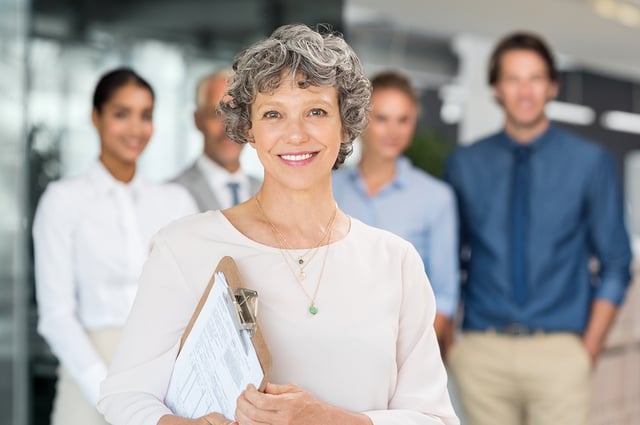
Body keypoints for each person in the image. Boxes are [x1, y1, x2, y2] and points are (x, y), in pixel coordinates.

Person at [98, 24, 459, 425]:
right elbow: (125, 396)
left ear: (346, 124)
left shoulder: (396, 262)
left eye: (316, 111)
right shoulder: (183, 247)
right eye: (273, 114)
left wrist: (329, 419)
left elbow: (435, 419)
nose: (295, 133)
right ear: (249, 129)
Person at [445, 32, 632, 425]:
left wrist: (589, 348)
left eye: (535, 78)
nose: (525, 90)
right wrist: (452, 346)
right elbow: (446, 261)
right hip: (483, 355)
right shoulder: (465, 164)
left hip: (561, 352)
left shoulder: (589, 163)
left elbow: (616, 262)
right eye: (513, 78)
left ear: (552, 86)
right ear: (496, 89)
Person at [32, 67, 198, 425]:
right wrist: (105, 390)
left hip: (163, 383)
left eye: (146, 116)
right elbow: (56, 315)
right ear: (96, 117)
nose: (136, 129)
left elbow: (194, 298)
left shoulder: (175, 202)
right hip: (89, 374)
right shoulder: (63, 201)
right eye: (122, 114)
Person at [332, 71, 459, 355]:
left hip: (403, 348)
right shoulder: (327, 188)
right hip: (332, 341)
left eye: (404, 120)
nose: (394, 131)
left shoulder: (436, 197)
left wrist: (413, 357)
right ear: (360, 119)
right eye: (382, 118)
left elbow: (445, 293)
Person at [173, 68, 261, 211]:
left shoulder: (268, 192)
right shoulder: (171, 193)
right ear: (197, 120)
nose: (228, 128)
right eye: (216, 114)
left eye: (237, 113)